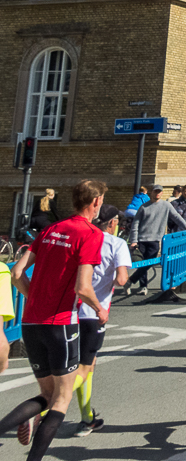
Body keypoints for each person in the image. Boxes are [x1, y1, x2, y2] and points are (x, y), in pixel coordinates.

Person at [4, 180, 107, 459]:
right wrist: (100, 309)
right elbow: (83, 288)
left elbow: (16, 274)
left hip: (31, 322)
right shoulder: (90, 233)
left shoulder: (51, 228)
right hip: (60, 323)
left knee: (46, 395)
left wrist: (35, 297)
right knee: (61, 397)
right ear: (95, 202)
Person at [72, 203, 130, 435]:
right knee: (85, 366)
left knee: (78, 366)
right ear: (113, 223)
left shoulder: (83, 238)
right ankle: (44, 407)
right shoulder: (117, 243)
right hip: (93, 313)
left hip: (68, 311)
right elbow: (122, 279)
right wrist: (109, 282)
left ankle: (87, 418)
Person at [128, 183, 186, 294]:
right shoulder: (143, 207)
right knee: (143, 264)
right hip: (141, 239)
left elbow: (176, 216)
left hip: (155, 239)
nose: (157, 193)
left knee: (149, 263)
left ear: (161, 193)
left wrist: (185, 225)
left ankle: (130, 281)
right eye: (155, 191)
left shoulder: (166, 205)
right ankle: (143, 286)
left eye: (159, 192)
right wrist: (133, 241)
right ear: (151, 192)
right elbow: (135, 224)